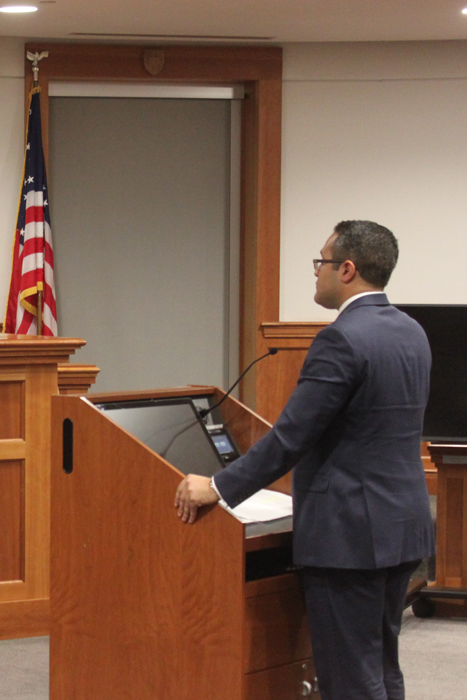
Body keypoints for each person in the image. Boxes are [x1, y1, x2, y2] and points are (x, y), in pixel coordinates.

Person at [175, 220, 432, 700]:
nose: (316, 273)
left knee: (350, 678)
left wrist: (217, 486)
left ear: (348, 269)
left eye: (322, 262)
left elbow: (291, 438)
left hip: (350, 536)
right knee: (381, 667)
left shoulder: (341, 339)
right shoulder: (412, 331)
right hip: (402, 525)